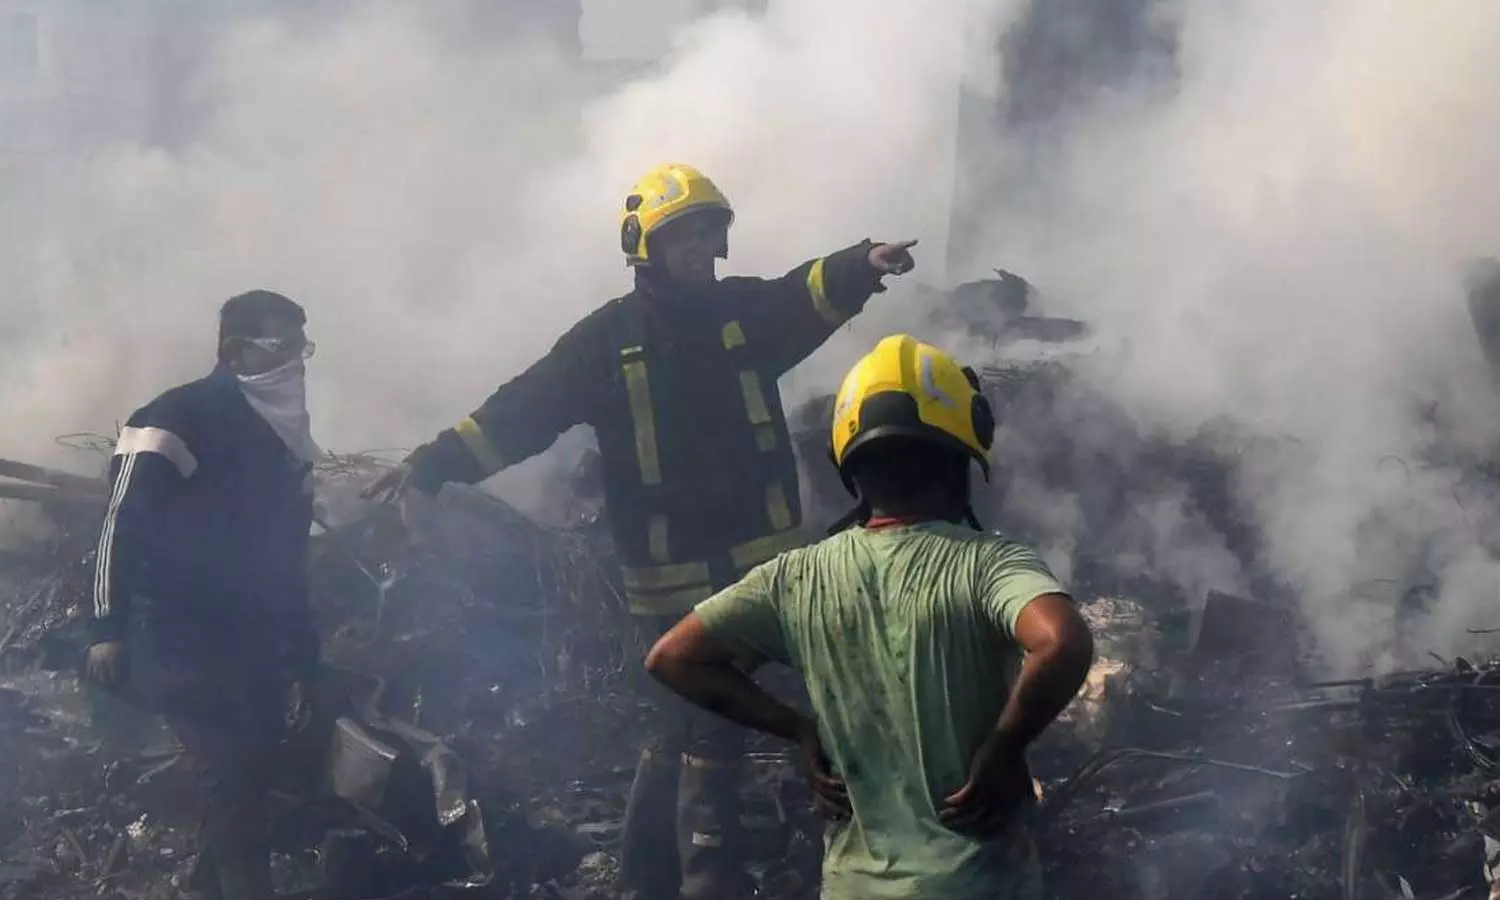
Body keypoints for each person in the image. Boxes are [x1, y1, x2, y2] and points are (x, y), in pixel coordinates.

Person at [363, 162, 917, 900]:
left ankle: (831, 864)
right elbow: (521, 411)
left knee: (812, 717)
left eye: (707, 232)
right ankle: (687, 883)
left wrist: (863, 265)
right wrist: (433, 462)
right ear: (644, 246)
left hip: (773, 572)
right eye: (681, 234)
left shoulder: (742, 316)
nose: (700, 247)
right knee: (699, 735)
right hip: (673, 585)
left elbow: (802, 295)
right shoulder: (604, 342)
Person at [645, 334, 1096, 899]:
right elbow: (1062, 641)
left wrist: (798, 729)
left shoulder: (794, 576)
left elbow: (671, 657)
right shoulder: (989, 562)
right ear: (959, 453)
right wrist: (1005, 747)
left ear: (851, 463)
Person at [85, 290, 323, 900]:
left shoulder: (285, 443)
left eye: (303, 348)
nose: (297, 363)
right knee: (232, 770)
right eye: (284, 348)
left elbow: (285, 557)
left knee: (252, 772)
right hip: (178, 635)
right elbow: (120, 524)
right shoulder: (174, 417)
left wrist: (303, 651)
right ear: (234, 352)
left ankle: (205, 888)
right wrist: (106, 628)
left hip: (251, 639)